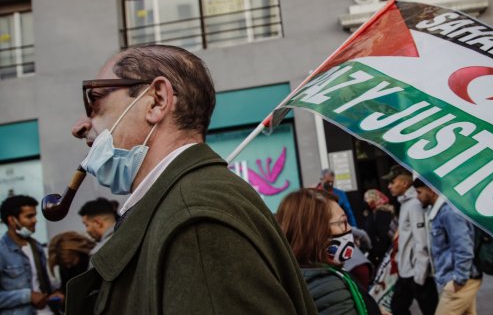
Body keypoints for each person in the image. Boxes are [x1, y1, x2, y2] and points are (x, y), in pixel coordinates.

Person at [67, 45, 316, 314]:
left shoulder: (195, 222)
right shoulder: (185, 205)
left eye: (95, 99)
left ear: (157, 100)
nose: (80, 126)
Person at [275, 188, 381, 314]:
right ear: (316, 231)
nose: (348, 229)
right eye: (342, 222)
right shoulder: (329, 287)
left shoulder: (295, 274)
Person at [413, 178, 481, 315]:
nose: (417, 197)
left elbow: (464, 247)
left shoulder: (449, 212)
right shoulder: (439, 211)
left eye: (419, 192)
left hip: (460, 281)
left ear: (431, 190)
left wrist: (459, 280)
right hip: (458, 280)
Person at [383, 166, 437, 315]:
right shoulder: (406, 203)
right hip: (406, 270)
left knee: (429, 310)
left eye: (392, 182)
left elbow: (422, 240)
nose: (389, 186)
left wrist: (420, 274)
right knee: (398, 308)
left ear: (404, 183)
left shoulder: (414, 204)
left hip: (417, 272)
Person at [0, 195, 63, 314]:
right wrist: (27, 296)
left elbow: (43, 282)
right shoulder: (2, 251)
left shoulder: (37, 247)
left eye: (35, 215)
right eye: (29, 216)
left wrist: (55, 293)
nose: (35, 220)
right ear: (12, 220)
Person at [47, 232, 95, 296]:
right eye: (65, 264)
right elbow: (66, 288)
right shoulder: (64, 265)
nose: (68, 267)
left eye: (71, 262)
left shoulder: (94, 259)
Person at [362, 189, 394, 268]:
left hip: (381, 253)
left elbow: (384, 235)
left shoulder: (382, 213)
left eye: (367, 198)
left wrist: (377, 252)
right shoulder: (373, 213)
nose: (365, 201)